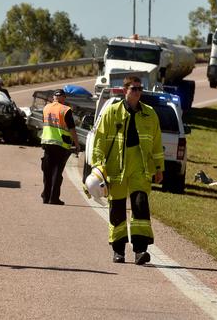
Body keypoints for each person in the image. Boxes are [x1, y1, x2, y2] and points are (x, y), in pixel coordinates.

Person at [91, 75, 164, 265]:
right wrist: (97, 167)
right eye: (134, 89)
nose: (138, 92)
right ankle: (118, 251)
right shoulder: (112, 112)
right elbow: (99, 141)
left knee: (140, 206)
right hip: (116, 168)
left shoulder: (150, 114)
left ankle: (140, 251)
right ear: (125, 90)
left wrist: (159, 168)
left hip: (140, 167)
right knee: (117, 210)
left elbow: (156, 144)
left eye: (140, 89)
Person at [40, 89, 79, 205]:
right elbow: (72, 129)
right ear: (63, 98)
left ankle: (45, 196)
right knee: (57, 172)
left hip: (47, 142)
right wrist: (77, 145)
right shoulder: (65, 110)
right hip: (61, 144)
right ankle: (54, 198)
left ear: (53, 97)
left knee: (47, 171)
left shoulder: (46, 108)